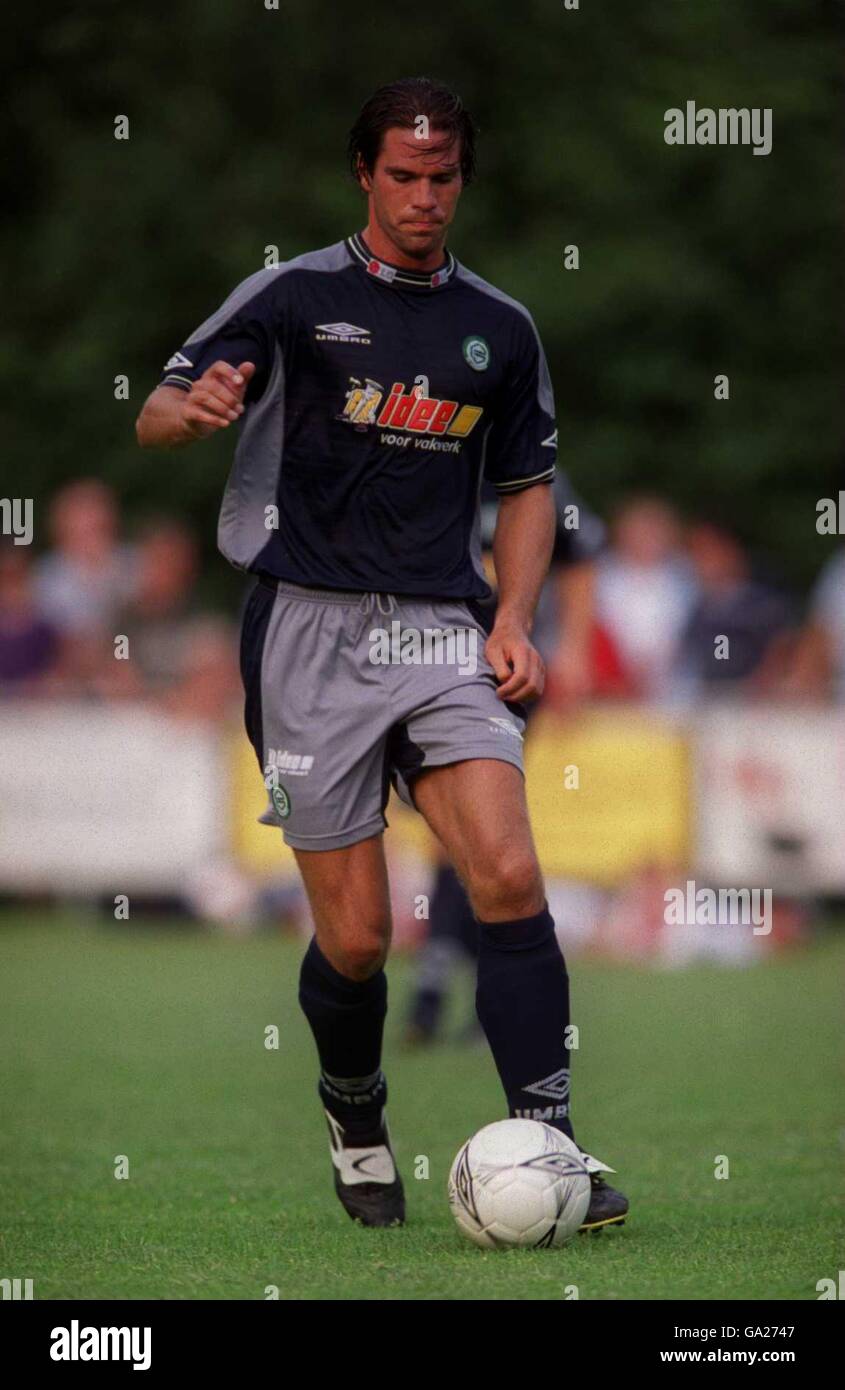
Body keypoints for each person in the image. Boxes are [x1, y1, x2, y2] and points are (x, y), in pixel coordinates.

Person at [136, 76, 628, 1233]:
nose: (421, 197)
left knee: (505, 868)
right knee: (359, 938)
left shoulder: (500, 328)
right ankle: (355, 1114)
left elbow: (525, 488)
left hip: (441, 629)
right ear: (364, 173)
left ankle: (553, 1144)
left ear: (463, 180)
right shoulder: (292, 293)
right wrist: (190, 407)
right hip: (305, 627)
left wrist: (512, 619)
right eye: (401, 176)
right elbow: (157, 409)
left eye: (441, 177)